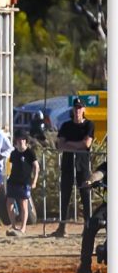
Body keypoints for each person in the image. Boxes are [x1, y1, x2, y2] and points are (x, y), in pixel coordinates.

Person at [52, 97, 96, 237]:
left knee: (85, 195)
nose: (77, 110)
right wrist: (77, 145)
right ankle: (62, 227)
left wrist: (70, 144)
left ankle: (87, 226)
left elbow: (86, 144)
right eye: (75, 108)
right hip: (68, 164)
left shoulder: (89, 125)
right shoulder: (66, 126)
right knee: (65, 195)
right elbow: (60, 145)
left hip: (82, 165)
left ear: (83, 110)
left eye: (79, 108)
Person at [4, 133, 39, 237]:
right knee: (9, 203)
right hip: (13, 181)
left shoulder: (30, 152)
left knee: (23, 204)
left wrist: (34, 181)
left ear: (26, 141)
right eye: (19, 140)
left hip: (24, 182)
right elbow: (10, 165)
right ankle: (13, 226)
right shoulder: (14, 153)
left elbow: (36, 167)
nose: (20, 142)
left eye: (23, 140)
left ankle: (23, 228)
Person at [76, 158, 106, 273]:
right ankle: (85, 266)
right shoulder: (109, 165)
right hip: (107, 207)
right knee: (91, 225)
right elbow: (99, 174)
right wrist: (90, 180)